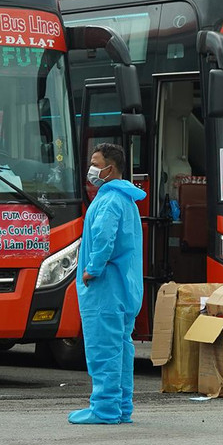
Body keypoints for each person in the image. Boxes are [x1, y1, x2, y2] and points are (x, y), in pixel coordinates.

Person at [69, 143, 146, 425]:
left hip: (106, 290)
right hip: (124, 289)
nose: (91, 169)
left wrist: (92, 268)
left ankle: (104, 408)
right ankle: (121, 407)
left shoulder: (109, 200)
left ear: (110, 168)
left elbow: (103, 236)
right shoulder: (125, 199)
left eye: (95, 162)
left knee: (104, 350)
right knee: (121, 350)